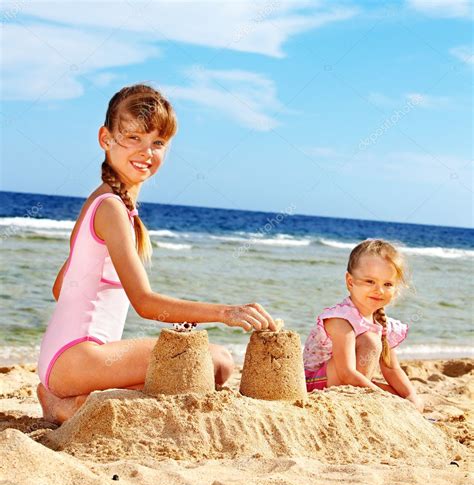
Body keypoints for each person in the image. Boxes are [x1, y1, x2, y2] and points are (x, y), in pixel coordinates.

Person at [37, 83, 276, 424]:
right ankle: (64, 402)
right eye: (133, 137)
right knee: (217, 362)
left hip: (61, 359)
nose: (146, 152)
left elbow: (60, 288)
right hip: (77, 358)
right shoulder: (111, 208)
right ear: (106, 138)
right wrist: (226, 312)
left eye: (157, 143)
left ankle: (70, 400)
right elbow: (144, 303)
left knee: (183, 371)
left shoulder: (102, 202)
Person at [303, 239, 424, 413]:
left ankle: (370, 400)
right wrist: (380, 397)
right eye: (370, 281)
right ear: (350, 282)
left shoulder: (382, 323)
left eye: (387, 284)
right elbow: (346, 372)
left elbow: (391, 367)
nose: (379, 290)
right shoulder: (340, 319)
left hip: (347, 382)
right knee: (370, 341)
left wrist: (412, 396)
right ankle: (359, 402)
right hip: (314, 384)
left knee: (402, 397)